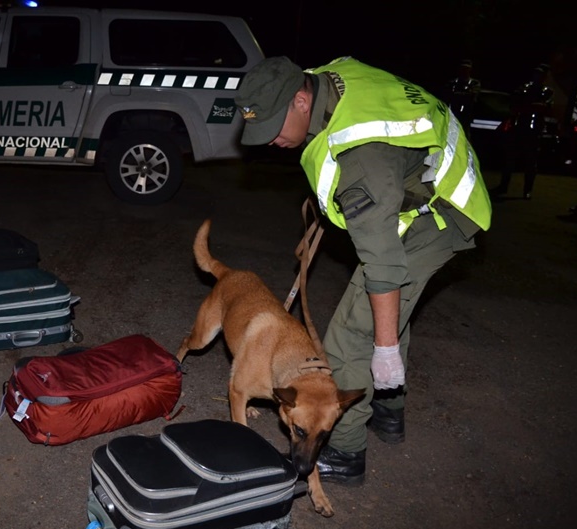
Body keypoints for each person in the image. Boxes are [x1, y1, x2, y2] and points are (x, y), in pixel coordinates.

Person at [234, 56, 492, 484]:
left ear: (301, 101)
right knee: (384, 314)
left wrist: (386, 350)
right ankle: (389, 413)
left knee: (351, 334)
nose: (270, 142)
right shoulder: (326, 79)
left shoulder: (362, 160)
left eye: (274, 129)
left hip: (441, 213)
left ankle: (346, 450)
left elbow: (384, 264)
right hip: (422, 189)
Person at [492, 64, 554, 199]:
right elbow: (514, 104)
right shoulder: (524, 88)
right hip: (519, 128)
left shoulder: (546, 91)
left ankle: (527, 190)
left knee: (530, 162)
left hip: (534, 130)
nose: (537, 77)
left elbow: (546, 107)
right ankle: (503, 186)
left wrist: (530, 107)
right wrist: (528, 107)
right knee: (510, 159)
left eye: (541, 74)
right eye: (536, 74)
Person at [447, 59, 481, 140]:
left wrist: (459, 95)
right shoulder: (453, 82)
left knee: (465, 135)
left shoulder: (474, 83)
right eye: (463, 68)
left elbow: (472, 95)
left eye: (466, 69)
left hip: (467, 115)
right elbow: (448, 94)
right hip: (453, 113)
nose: (464, 71)